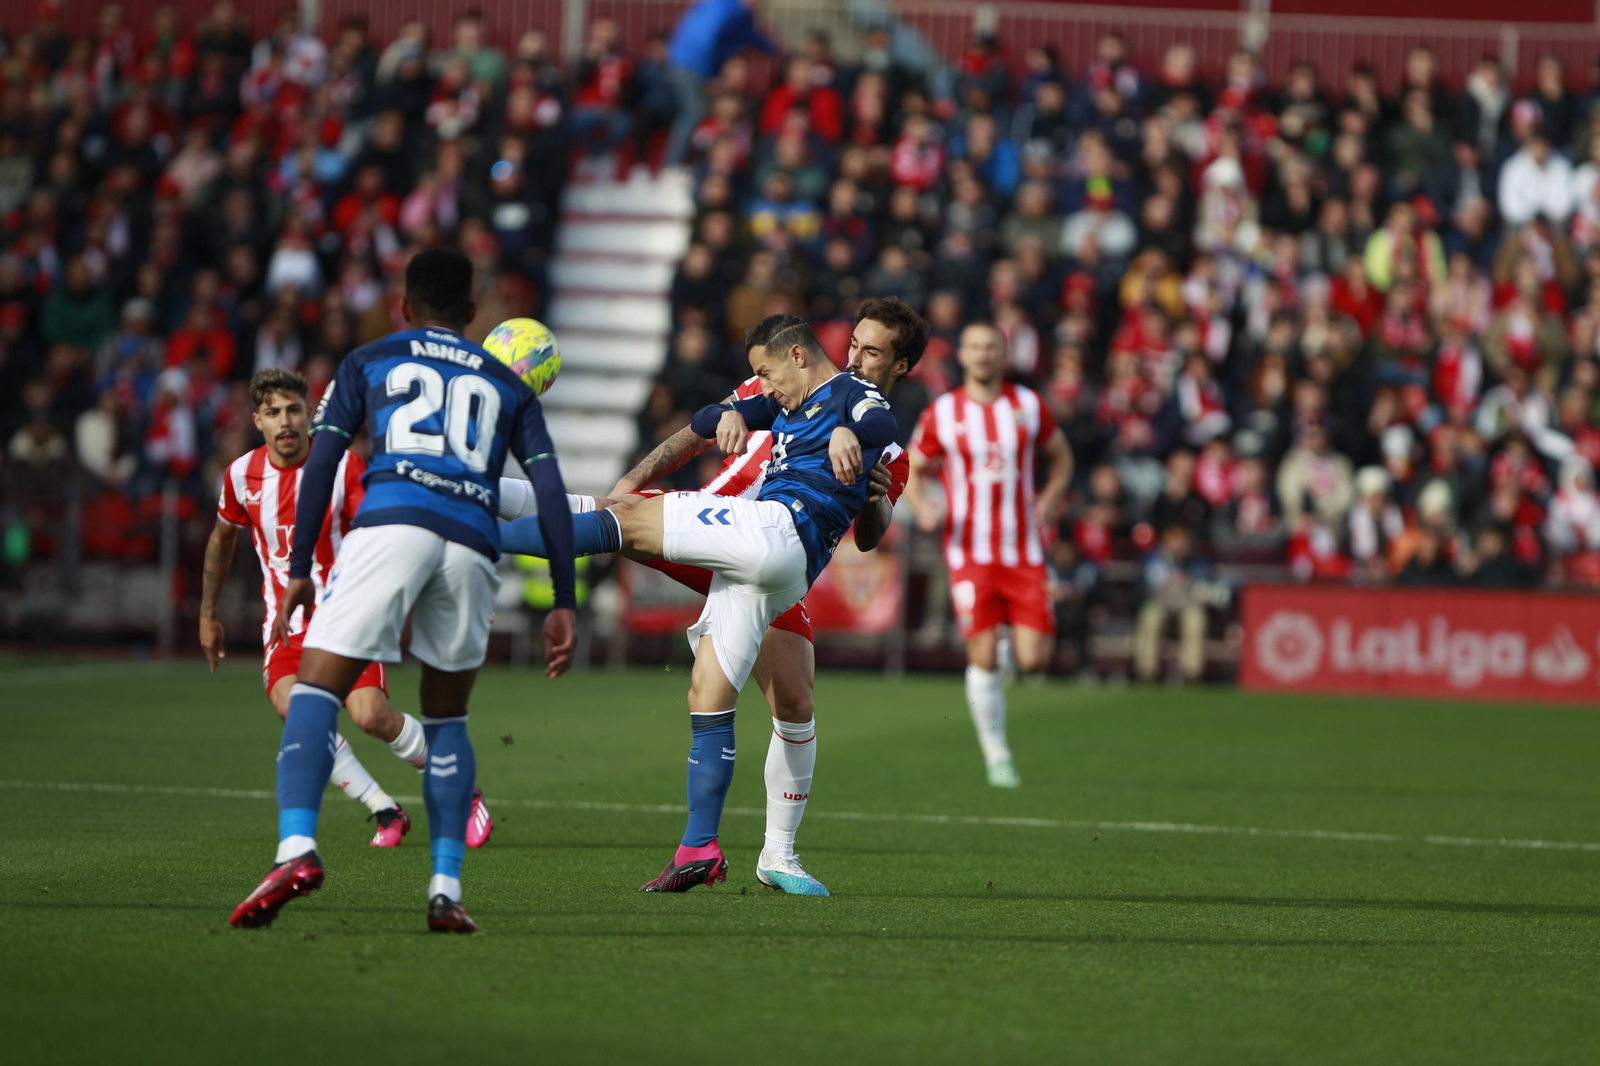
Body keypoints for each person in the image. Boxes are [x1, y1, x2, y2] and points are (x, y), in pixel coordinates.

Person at [496, 299, 929, 895]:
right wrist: (723, 416)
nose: (855, 355)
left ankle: (466, 526)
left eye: (872, 350)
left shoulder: (864, 412)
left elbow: (877, 454)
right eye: (853, 342)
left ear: (899, 366)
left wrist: (870, 478)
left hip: (766, 533)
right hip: (755, 556)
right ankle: (700, 848)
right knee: (708, 694)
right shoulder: (786, 388)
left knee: (618, 527)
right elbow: (707, 418)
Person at [228, 248, 578, 934]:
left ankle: (296, 850)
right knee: (447, 721)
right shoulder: (507, 384)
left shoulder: (368, 359)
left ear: (406, 307)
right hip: (472, 543)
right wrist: (563, 598)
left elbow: (326, 456)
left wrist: (300, 564)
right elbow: (550, 494)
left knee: (314, 692)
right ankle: (445, 889)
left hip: (392, 523)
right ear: (473, 314)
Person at [201, 368, 499, 848]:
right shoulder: (240, 475)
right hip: (285, 627)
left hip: (349, 615)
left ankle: (463, 790)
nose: (286, 423)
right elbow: (221, 540)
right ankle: (385, 809)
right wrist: (206, 614)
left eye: (294, 410)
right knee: (296, 711)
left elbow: (389, 526)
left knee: (371, 716)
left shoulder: (343, 466)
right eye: (273, 413)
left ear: (309, 411)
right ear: (257, 420)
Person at [903, 322, 1072, 787]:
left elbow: (1063, 457)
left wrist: (1053, 497)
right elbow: (911, 466)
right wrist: (920, 506)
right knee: (981, 656)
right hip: (969, 552)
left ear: (1003, 354)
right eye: (974, 346)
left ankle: (1004, 644)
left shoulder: (1029, 406)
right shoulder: (944, 412)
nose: (982, 354)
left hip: (1024, 551)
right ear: (962, 354)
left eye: (990, 347)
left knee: (1034, 660)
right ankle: (997, 754)